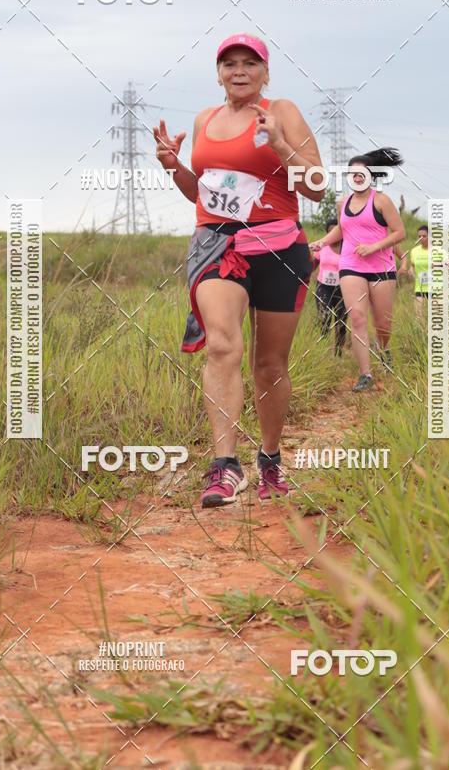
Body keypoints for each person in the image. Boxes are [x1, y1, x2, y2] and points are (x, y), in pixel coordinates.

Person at [153, 33, 325, 508]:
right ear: (218, 73)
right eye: (230, 63)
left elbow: (316, 187)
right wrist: (173, 166)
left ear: (266, 73)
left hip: (278, 246)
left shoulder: (283, 111)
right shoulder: (203, 120)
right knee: (223, 345)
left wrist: (282, 145)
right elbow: (201, 194)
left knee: (270, 363)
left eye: (251, 62)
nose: (240, 70)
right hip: (216, 246)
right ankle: (224, 468)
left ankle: (269, 459)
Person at [311, 149, 406, 392]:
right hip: (351, 266)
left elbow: (399, 233)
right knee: (357, 318)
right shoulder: (343, 202)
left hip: (382, 267)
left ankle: (382, 347)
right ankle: (365, 374)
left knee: (383, 323)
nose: (356, 176)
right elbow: (342, 231)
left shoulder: (381, 200)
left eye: (361, 172)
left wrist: (375, 246)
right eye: (352, 173)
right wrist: (322, 241)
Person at [312, 218, 347, 354]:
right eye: (330, 232)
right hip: (323, 287)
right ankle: (323, 348)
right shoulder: (323, 247)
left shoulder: (347, 248)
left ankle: (338, 353)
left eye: (335, 231)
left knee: (341, 322)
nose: (333, 235)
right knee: (324, 316)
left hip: (342, 289)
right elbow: (313, 264)